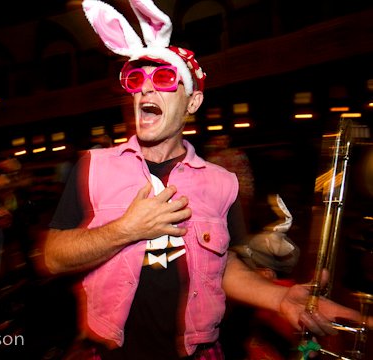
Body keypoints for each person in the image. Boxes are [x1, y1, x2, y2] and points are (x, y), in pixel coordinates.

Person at [42, 1, 366, 359]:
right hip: (109, 351)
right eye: (136, 80)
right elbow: (54, 258)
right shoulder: (92, 167)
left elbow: (222, 265)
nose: (145, 91)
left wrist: (279, 297)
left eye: (163, 79)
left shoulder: (222, 183)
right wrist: (126, 229)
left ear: (192, 101)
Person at [220, 195, 302, 360]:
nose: (242, 272)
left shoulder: (269, 312)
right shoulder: (292, 295)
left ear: (266, 274)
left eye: (247, 268)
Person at [205, 134, 255, 229]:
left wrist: (246, 194)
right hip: (220, 197)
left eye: (224, 139)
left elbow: (245, 174)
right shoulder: (212, 158)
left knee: (240, 224)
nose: (221, 142)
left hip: (238, 195)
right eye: (218, 139)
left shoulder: (238, 154)